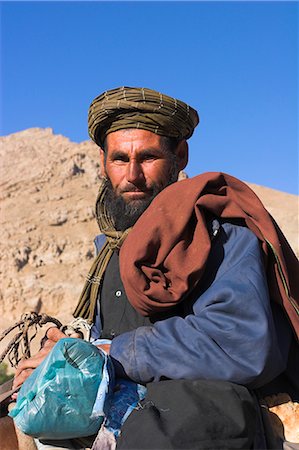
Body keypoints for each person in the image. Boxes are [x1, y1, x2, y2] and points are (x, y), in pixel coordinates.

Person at [9, 87, 299, 449]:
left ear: (180, 155)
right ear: (102, 162)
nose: (132, 174)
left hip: (201, 426)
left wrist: (109, 352)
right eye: (119, 159)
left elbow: (242, 342)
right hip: (127, 414)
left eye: (147, 157)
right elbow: (103, 344)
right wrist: (66, 358)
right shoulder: (110, 251)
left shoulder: (222, 235)